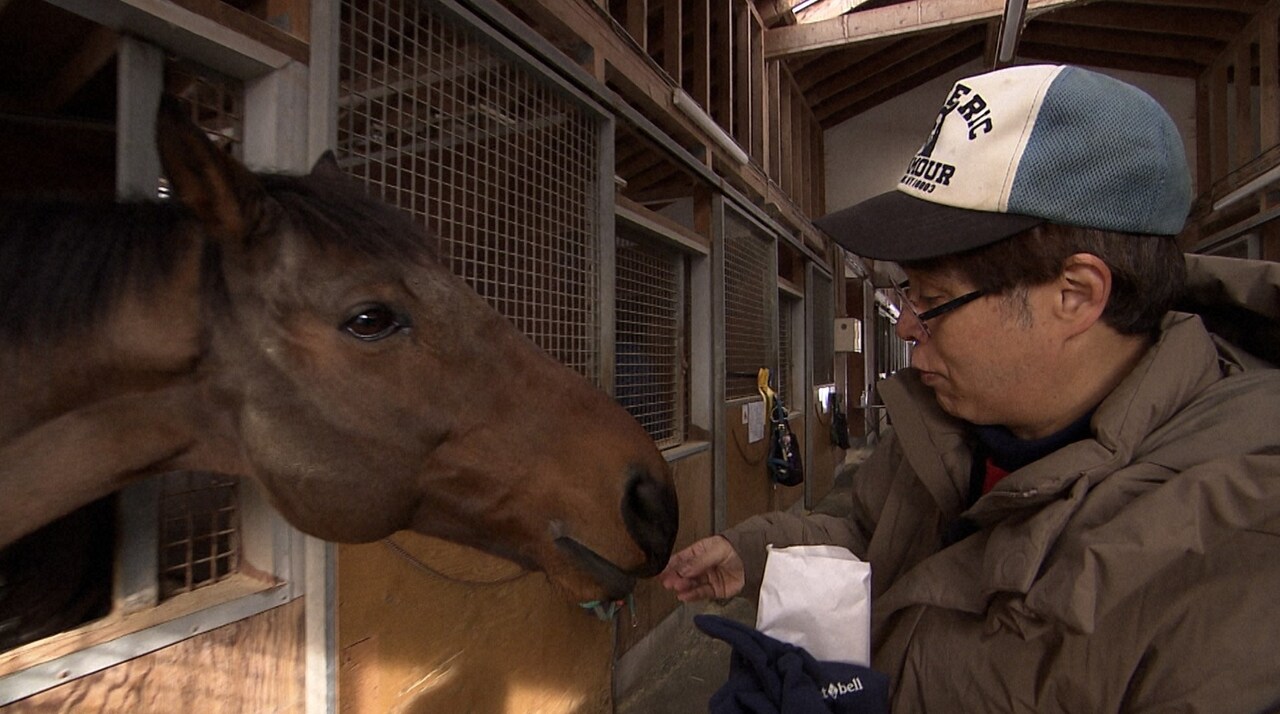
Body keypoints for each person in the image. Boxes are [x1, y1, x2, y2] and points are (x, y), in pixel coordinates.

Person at [660, 63, 1280, 712]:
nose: (904, 325)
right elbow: (881, 544)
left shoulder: (1236, 560)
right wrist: (757, 552)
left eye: (931, 299)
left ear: (1076, 295)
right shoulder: (953, 423)